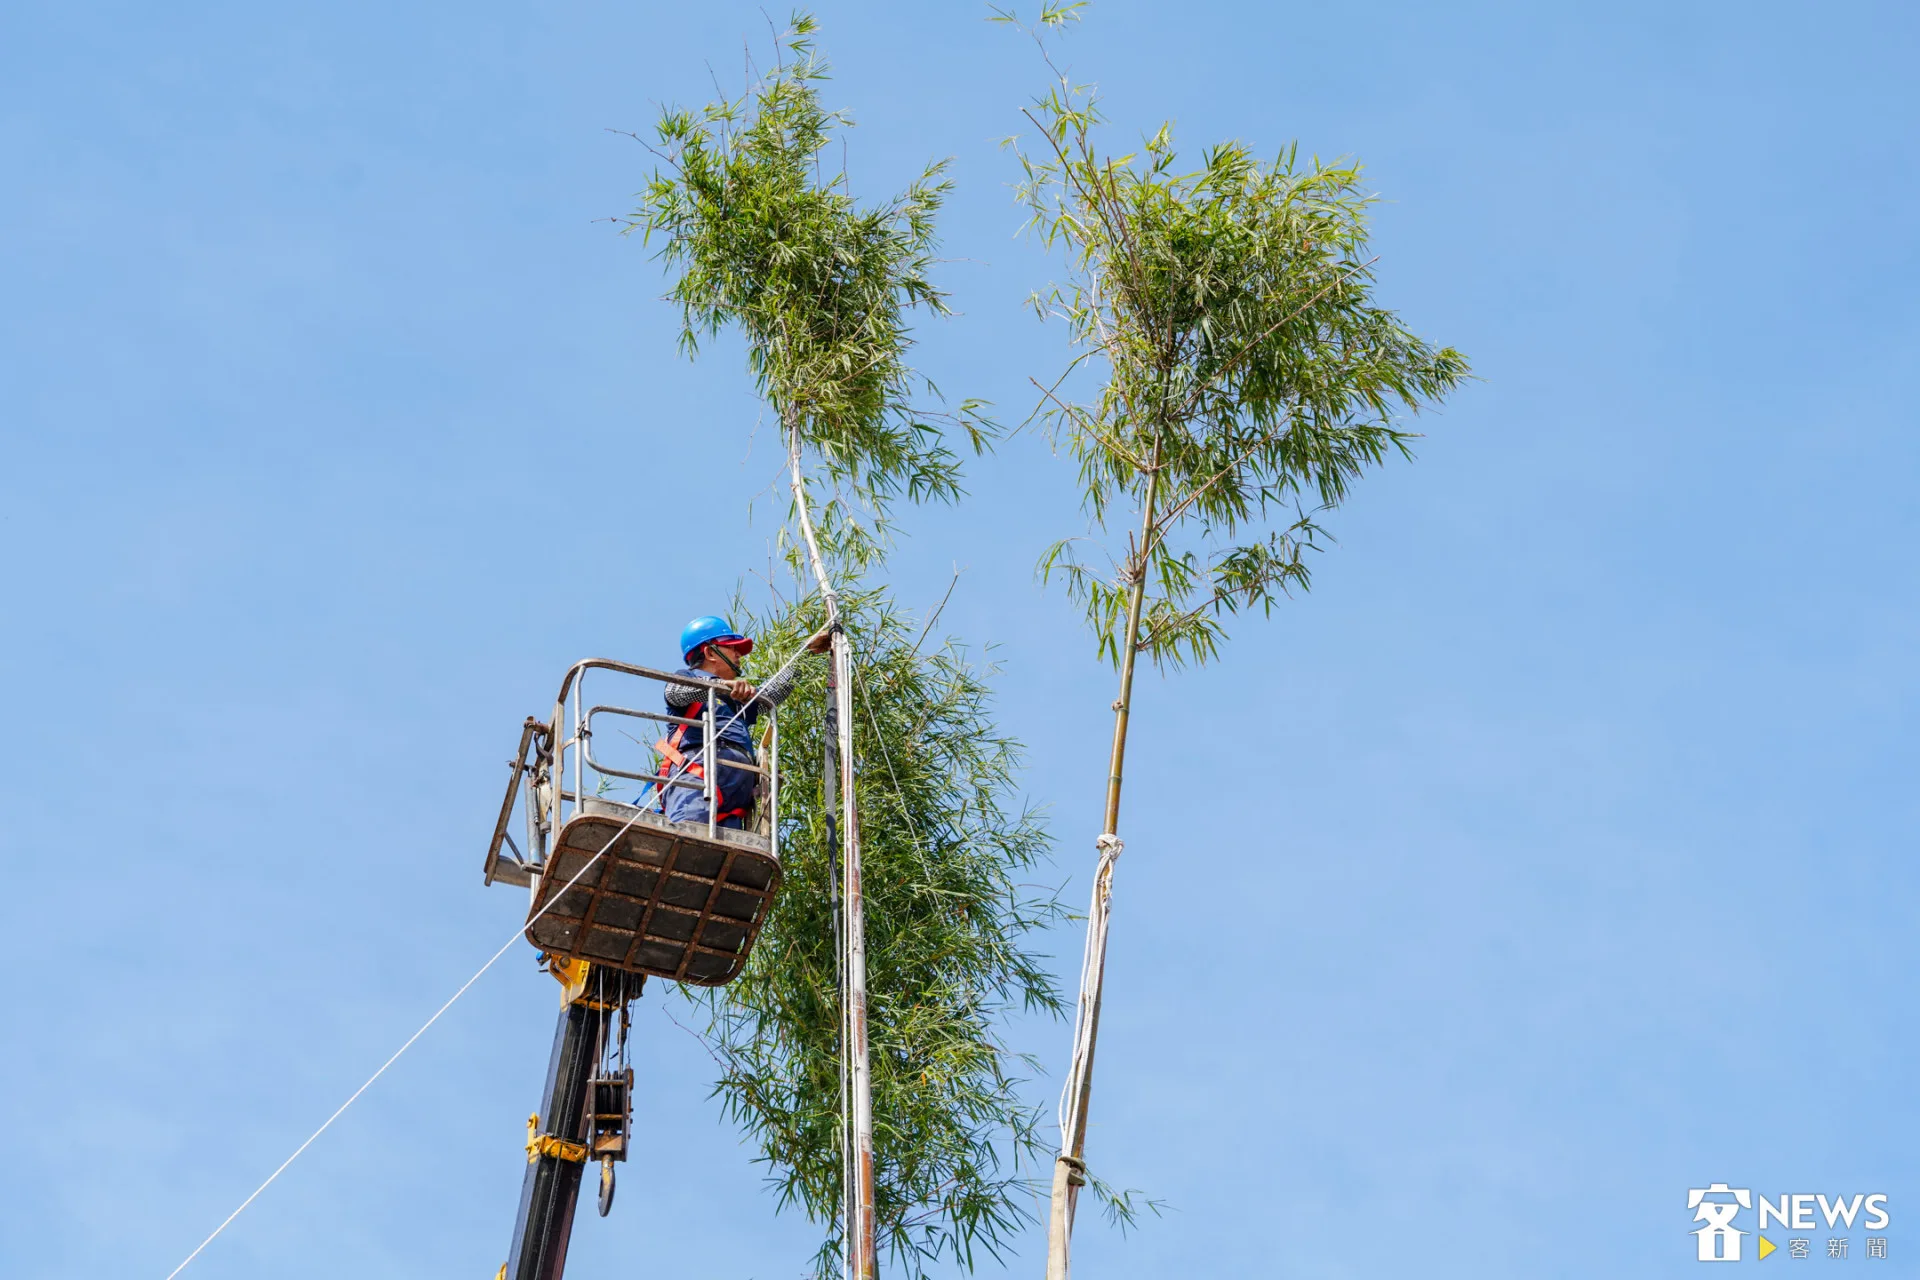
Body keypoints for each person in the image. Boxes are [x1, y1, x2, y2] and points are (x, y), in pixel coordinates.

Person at [654, 614, 832, 829]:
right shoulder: (686, 679)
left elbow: (770, 697)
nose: (739, 655)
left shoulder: (734, 702)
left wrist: (806, 654)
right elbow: (677, 691)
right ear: (710, 652)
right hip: (697, 776)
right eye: (732, 648)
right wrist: (719, 685)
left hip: (735, 789)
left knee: (725, 853)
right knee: (692, 835)